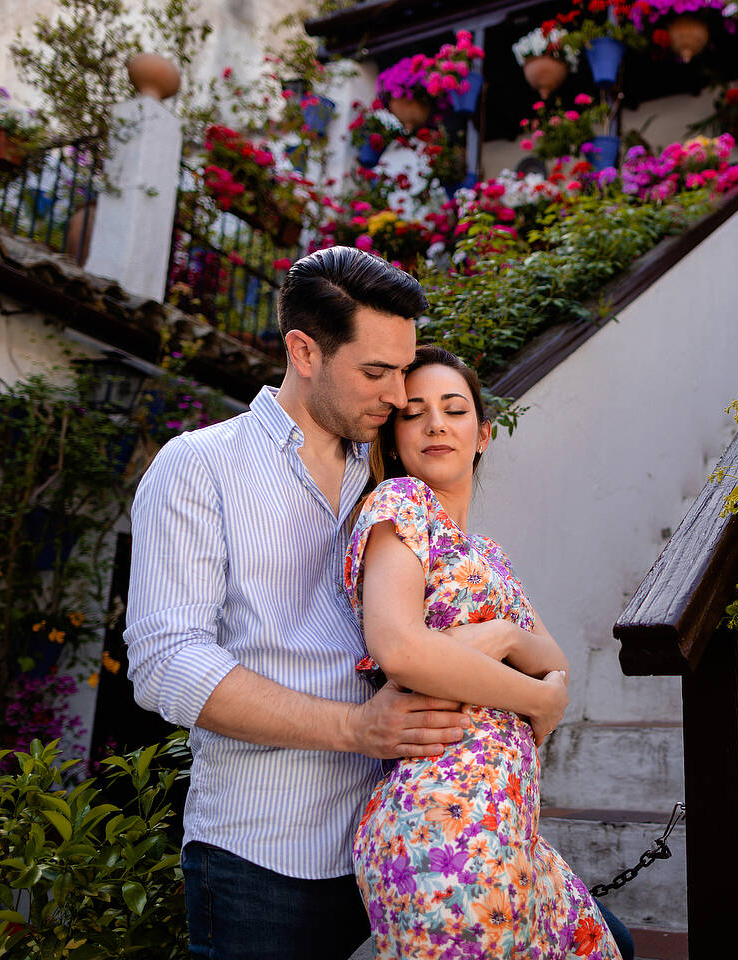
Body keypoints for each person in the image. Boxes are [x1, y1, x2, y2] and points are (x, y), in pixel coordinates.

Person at [125, 248, 508, 960]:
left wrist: (531, 674)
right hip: (264, 853)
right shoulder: (200, 466)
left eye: (403, 368)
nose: (399, 395)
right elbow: (166, 665)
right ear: (303, 350)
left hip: (401, 837)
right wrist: (361, 728)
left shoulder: (390, 469)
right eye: (376, 372)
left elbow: (469, 584)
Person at [343, 345, 631, 960]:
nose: (436, 424)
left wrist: (500, 637)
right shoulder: (400, 504)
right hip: (444, 818)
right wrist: (536, 696)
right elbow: (401, 650)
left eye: (454, 409)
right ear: (393, 438)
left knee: (610, 946)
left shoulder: (487, 553)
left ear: (483, 435)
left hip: (510, 820)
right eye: (413, 412)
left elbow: (553, 656)